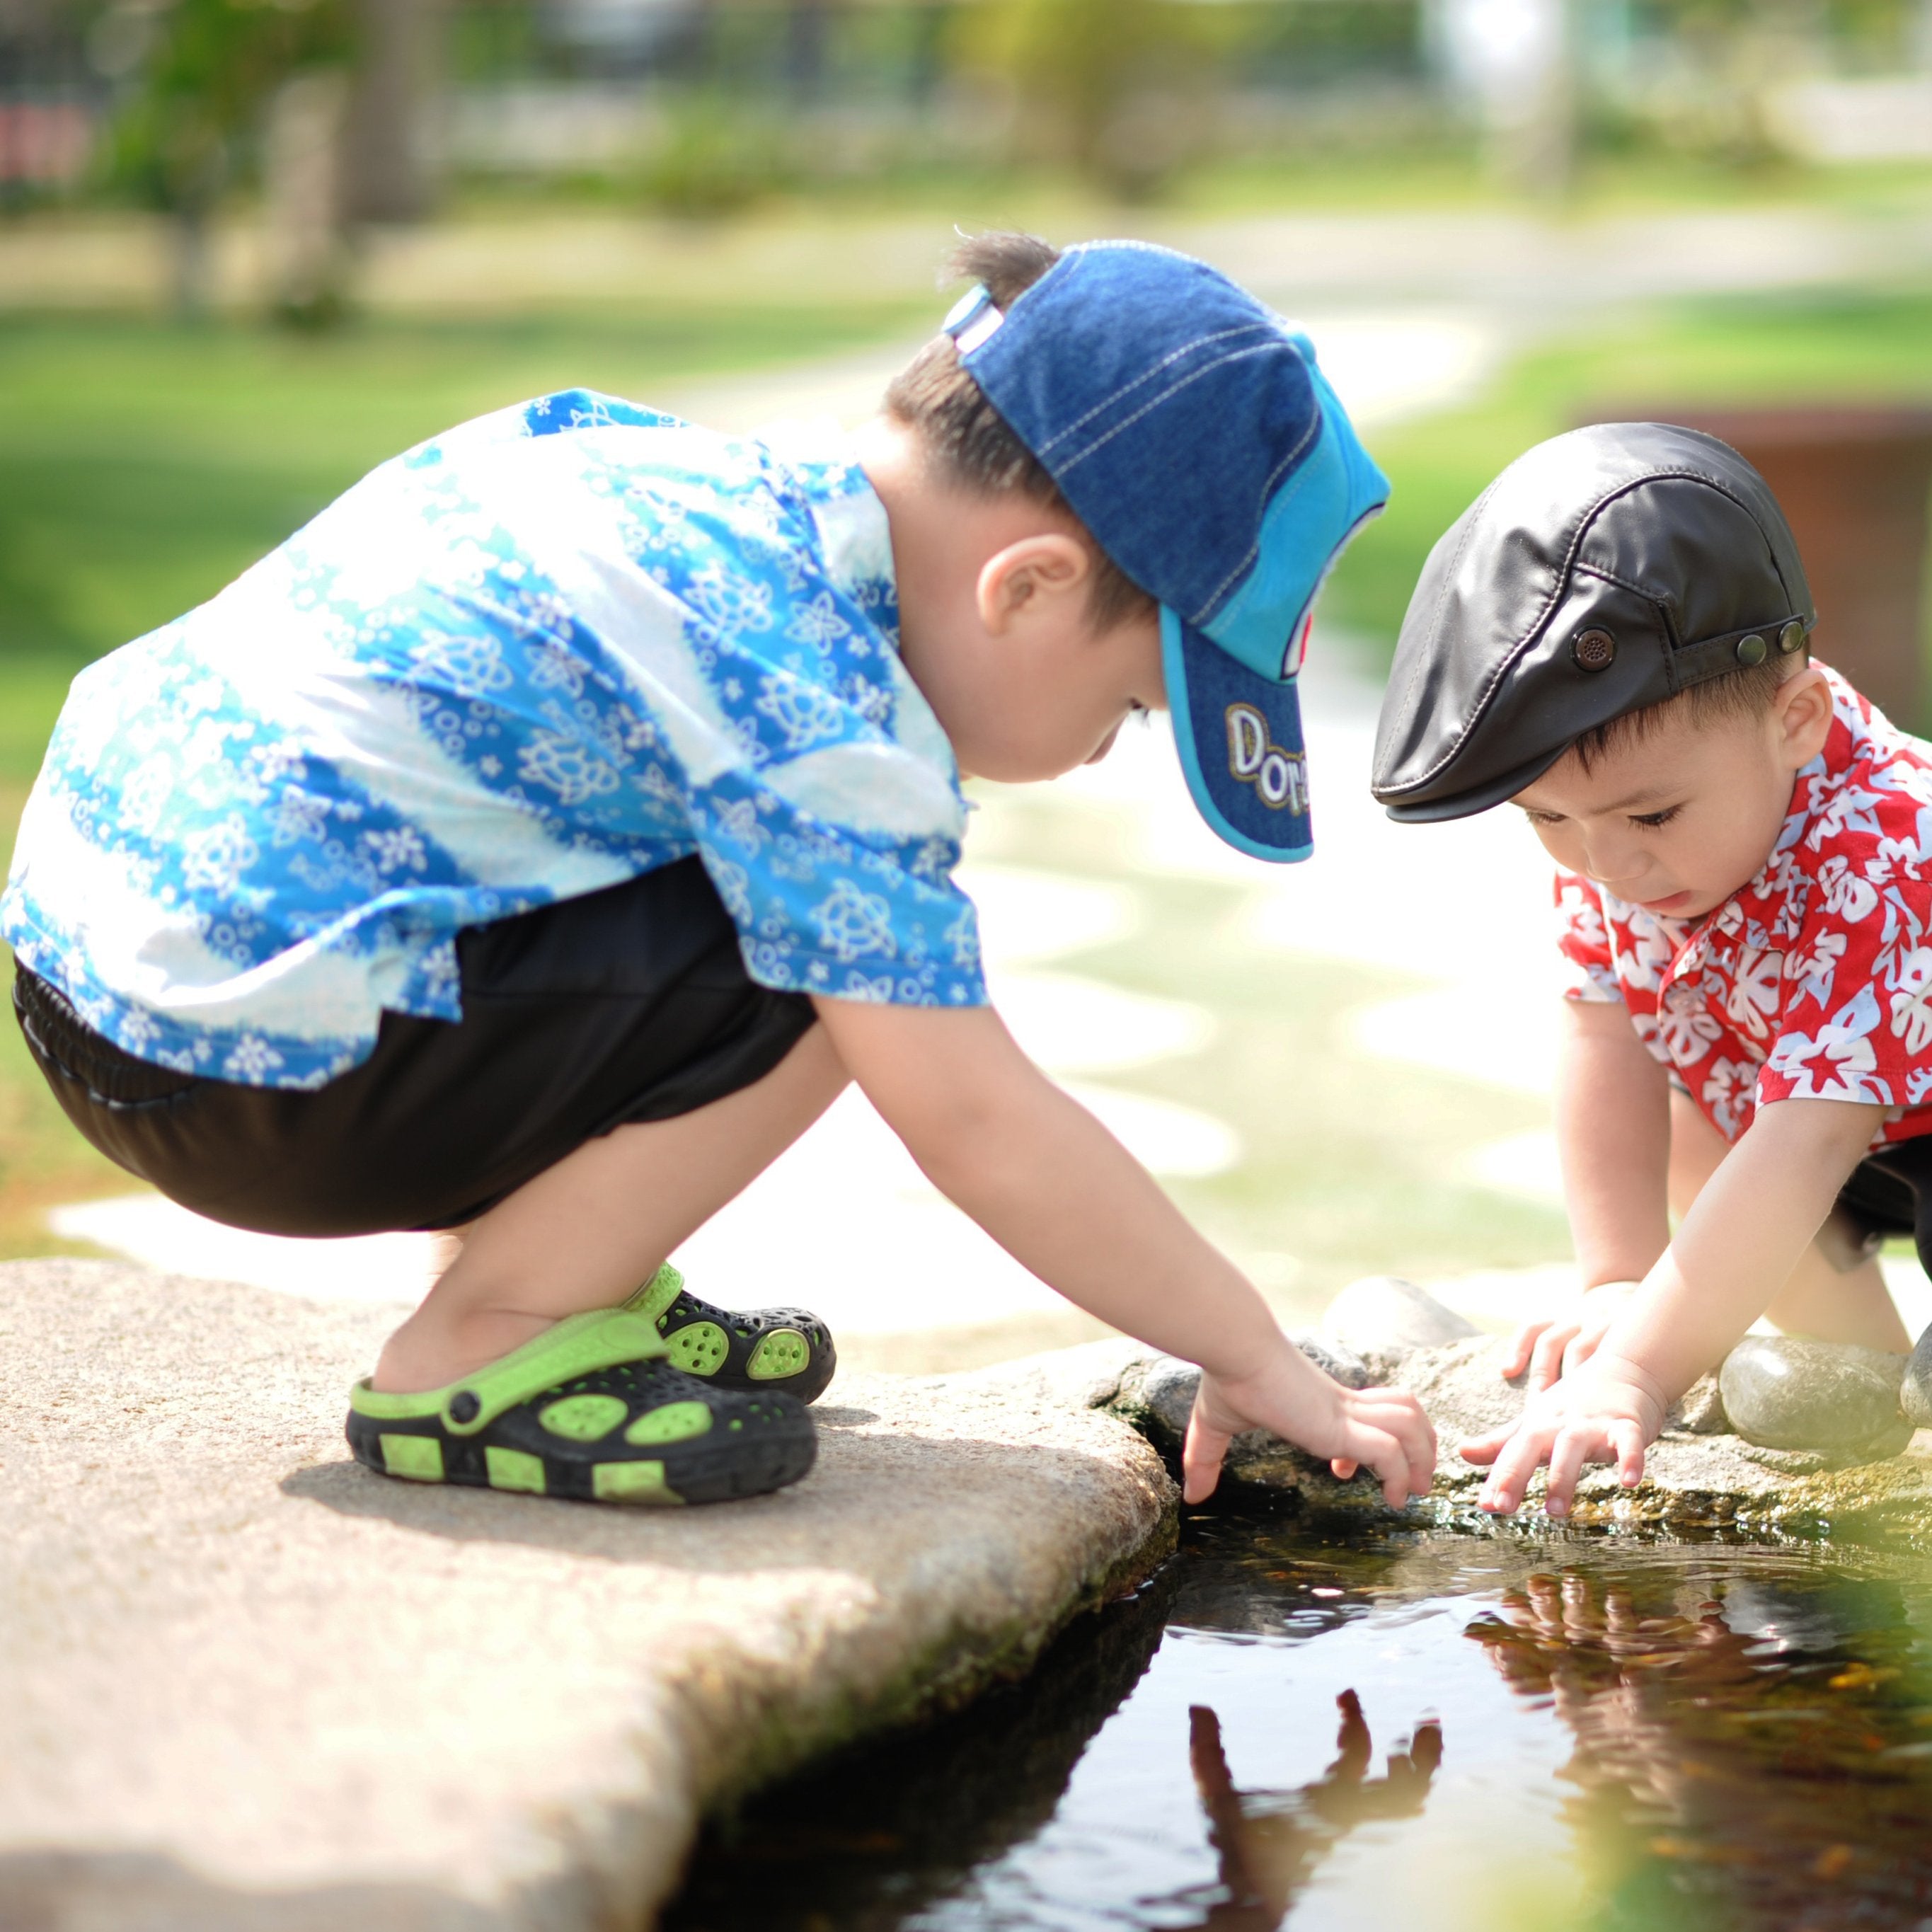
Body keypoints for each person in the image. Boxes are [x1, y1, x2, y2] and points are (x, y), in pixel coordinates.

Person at [5, 232, 1437, 1512]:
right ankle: (487, 1344)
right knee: (845, 977)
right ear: (1030, 587)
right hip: (240, 1067)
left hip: (100, 969)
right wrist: (1249, 1352)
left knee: (760, 893)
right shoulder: (819, 706)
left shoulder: (683, 485)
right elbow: (973, 1119)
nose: (1095, 754)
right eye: (1130, 711)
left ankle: (570, 1280)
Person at [1370, 420, 1932, 1519]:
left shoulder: (1882, 849)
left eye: (1652, 814)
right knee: (1691, 1124)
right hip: (1821, 1115)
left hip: (1853, 1111)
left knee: (1763, 1159)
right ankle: (1864, 1387)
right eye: (1546, 820)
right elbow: (1602, 1038)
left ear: (1796, 720)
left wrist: (1634, 1371)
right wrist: (1618, 1280)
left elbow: (1809, 1135)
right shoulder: (1611, 840)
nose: (1607, 865)